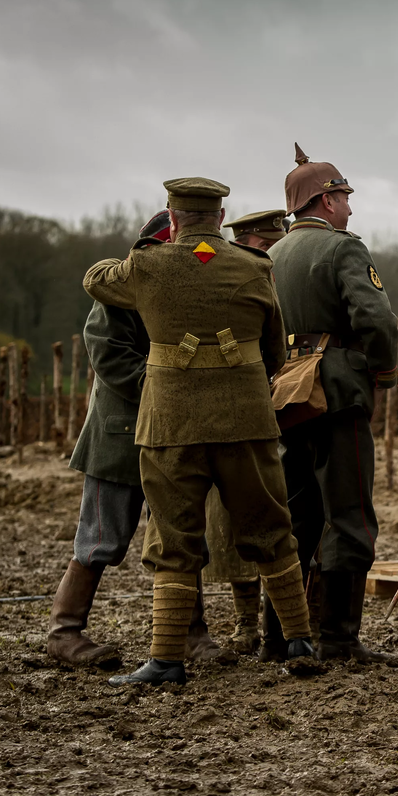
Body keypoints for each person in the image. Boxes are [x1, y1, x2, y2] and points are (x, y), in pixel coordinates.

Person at [83, 178, 314, 686]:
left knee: (173, 537)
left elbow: (95, 280)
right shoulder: (256, 266)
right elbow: (275, 351)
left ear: (172, 215)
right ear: (221, 215)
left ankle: (167, 659)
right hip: (246, 418)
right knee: (271, 526)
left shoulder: (147, 265)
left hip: (172, 424)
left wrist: (143, 250)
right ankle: (299, 639)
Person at [48, 210, 223, 667]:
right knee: (100, 540)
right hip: (120, 441)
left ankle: (191, 633)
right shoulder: (118, 292)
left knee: (180, 537)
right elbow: (111, 359)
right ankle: (64, 633)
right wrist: (171, 384)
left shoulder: (188, 291)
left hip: (172, 438)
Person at [265, 145, 398, 664]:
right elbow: (378, 321)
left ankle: (281, 638)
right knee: (348, 516)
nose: (349, 206)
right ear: (326, 200)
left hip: (285, 393)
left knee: (296, 516)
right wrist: (383, 373)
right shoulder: (343, 249)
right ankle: (340, 640)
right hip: (338, 393)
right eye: (344, 195)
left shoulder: (270, 255)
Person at [201, 208, 289, 653]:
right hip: (226, 408)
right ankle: (245, 623)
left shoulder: (277, 278)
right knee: (228, 518)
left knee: (269, 516)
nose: (267, 255)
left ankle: (282, 626)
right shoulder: (219, 277)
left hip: (270, 407)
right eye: (261, 247)